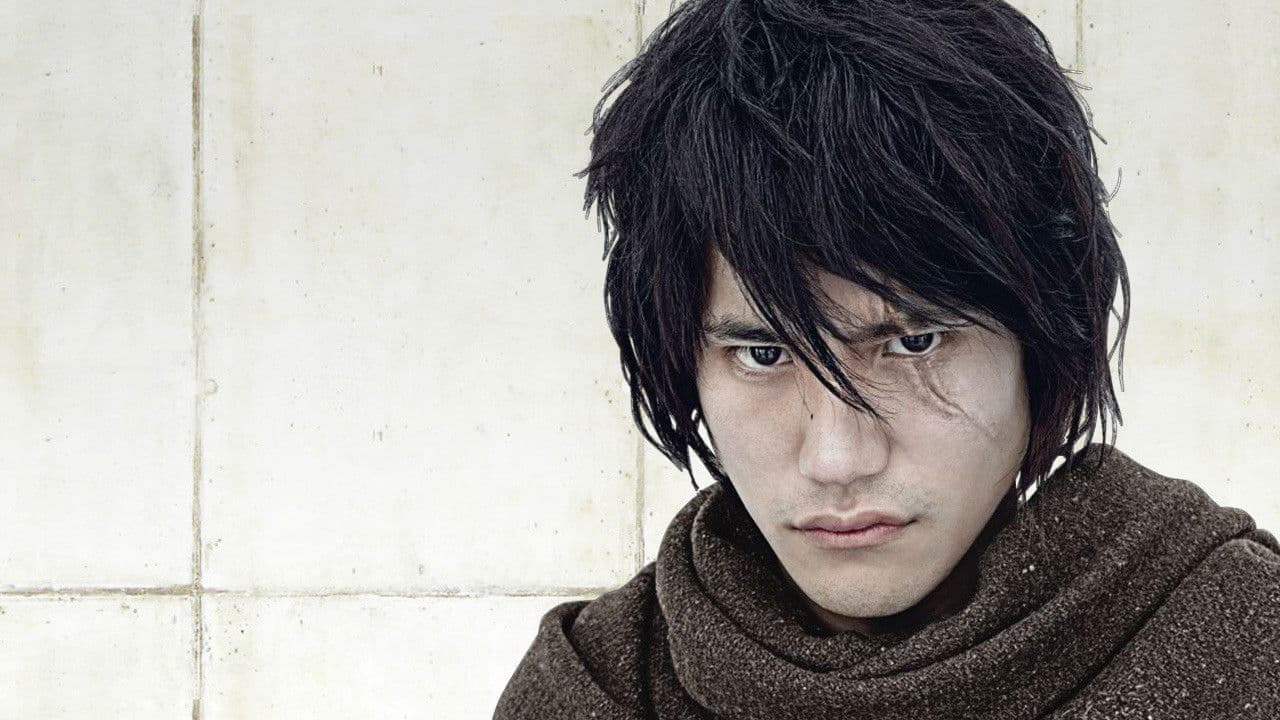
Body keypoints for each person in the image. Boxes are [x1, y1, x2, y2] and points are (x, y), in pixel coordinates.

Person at [494, 0, 1280, 717]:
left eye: (913, 343)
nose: (838, 459)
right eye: (763, 353)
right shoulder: (594, 690)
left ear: (1040, 349)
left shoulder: (1244, 653)